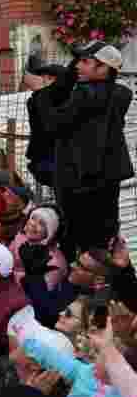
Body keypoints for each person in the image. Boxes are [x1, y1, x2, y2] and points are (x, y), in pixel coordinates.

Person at [41, 41, 133, 256]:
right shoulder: (118, 94)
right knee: (104, 241)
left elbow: (51, 123)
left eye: (85, 62)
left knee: (81, 244)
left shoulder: (85, 95)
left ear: (104, 68)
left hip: (79, 183)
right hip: (105, 180)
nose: (77, 66)